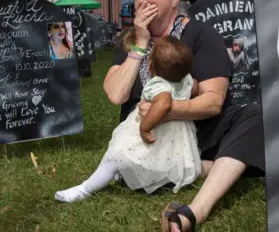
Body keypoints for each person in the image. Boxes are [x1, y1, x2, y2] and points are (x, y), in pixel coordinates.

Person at [103, 0, 264, 231]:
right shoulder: (129, 40)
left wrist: (165, 110)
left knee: (256, 116)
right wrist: (141, 43)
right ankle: (209, 167)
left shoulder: (200, 34)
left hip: (201, 132)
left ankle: (195, 210)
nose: (142, 0)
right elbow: (117, 95)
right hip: (150, 139)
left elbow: (213, 101)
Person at [54, 35, 202, 203]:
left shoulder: (158, 84)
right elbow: (195, 88)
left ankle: (85, 188)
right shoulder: (186, 80)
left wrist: (144, 128)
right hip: (175, 138)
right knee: (161, 159)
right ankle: (133, 175)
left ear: (150, 65)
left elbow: (164, 104)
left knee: (117, 155)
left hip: (155, 131)